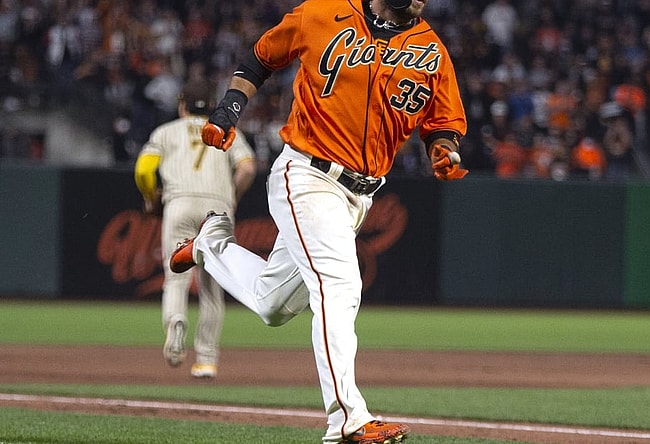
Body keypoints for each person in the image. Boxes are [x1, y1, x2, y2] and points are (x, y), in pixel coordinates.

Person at [168, 0, 467, 442]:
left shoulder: (431, 50)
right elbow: (261, 57)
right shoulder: (322, 13)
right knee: (340, 286)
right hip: (306, 173)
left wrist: (443, 147)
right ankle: (346, 419)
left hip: (360, 194)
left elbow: (442, 122)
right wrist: (231, 107)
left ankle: (210, 245)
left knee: (272, 304)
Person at [134, 79, 257, 379]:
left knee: (175, 278)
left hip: (179, 203)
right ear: (212, 107)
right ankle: (206, 360)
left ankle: (176, 323)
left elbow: (143, 170)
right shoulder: (228, 131)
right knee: (212, 288)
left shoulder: (166, 131)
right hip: (217, 209)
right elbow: (248, 167)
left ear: (182, 104)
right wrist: (233, 197)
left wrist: (151, 198)